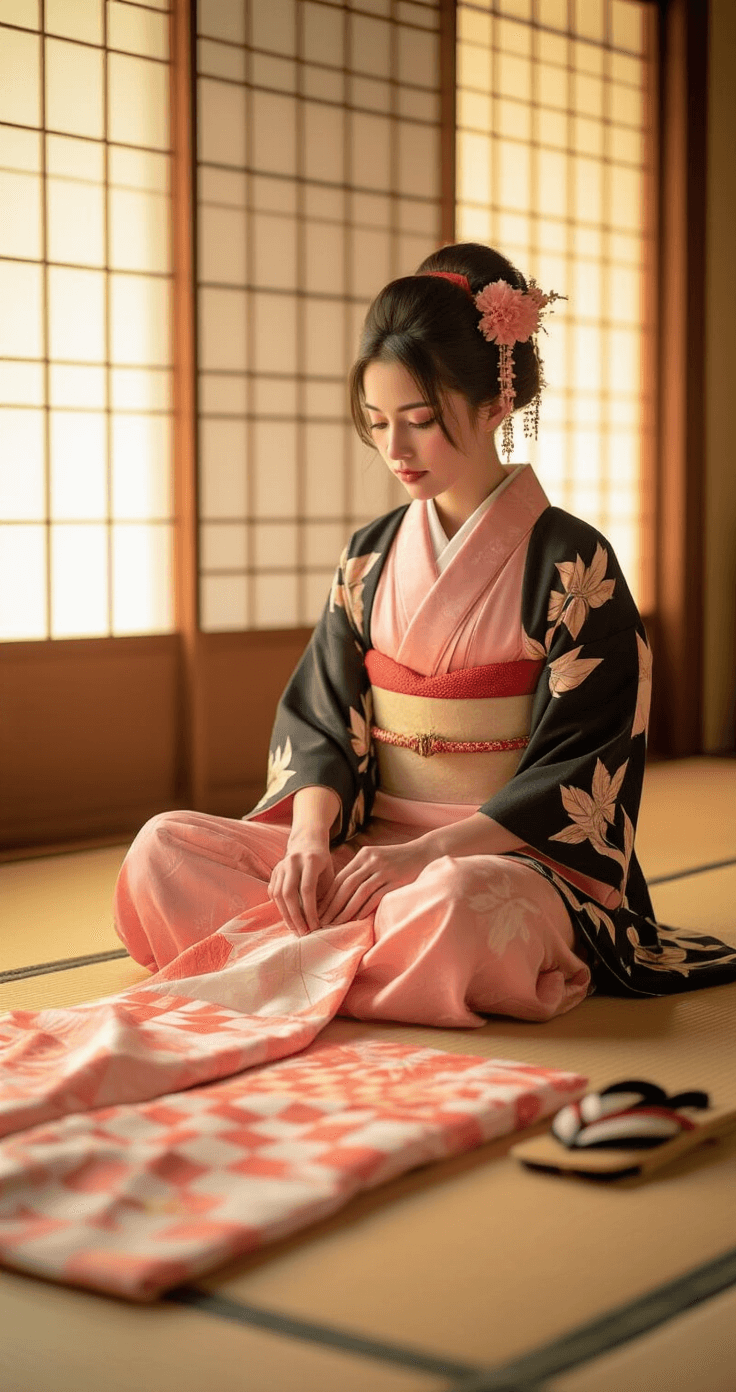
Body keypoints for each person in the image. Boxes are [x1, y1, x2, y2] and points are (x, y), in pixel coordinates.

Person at [115, 242, 736, 1024]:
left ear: (494, 404)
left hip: (503, 861)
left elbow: (584, 765)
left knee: (458, 907)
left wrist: (421, 856)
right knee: (162, 851)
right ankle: (365, 964)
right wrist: (310, 839)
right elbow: (320, 716)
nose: (395, 450)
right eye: (377, 423)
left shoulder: (576, 565)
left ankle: (300, 958)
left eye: (419, 421)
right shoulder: (368, 558)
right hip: (364, 852)